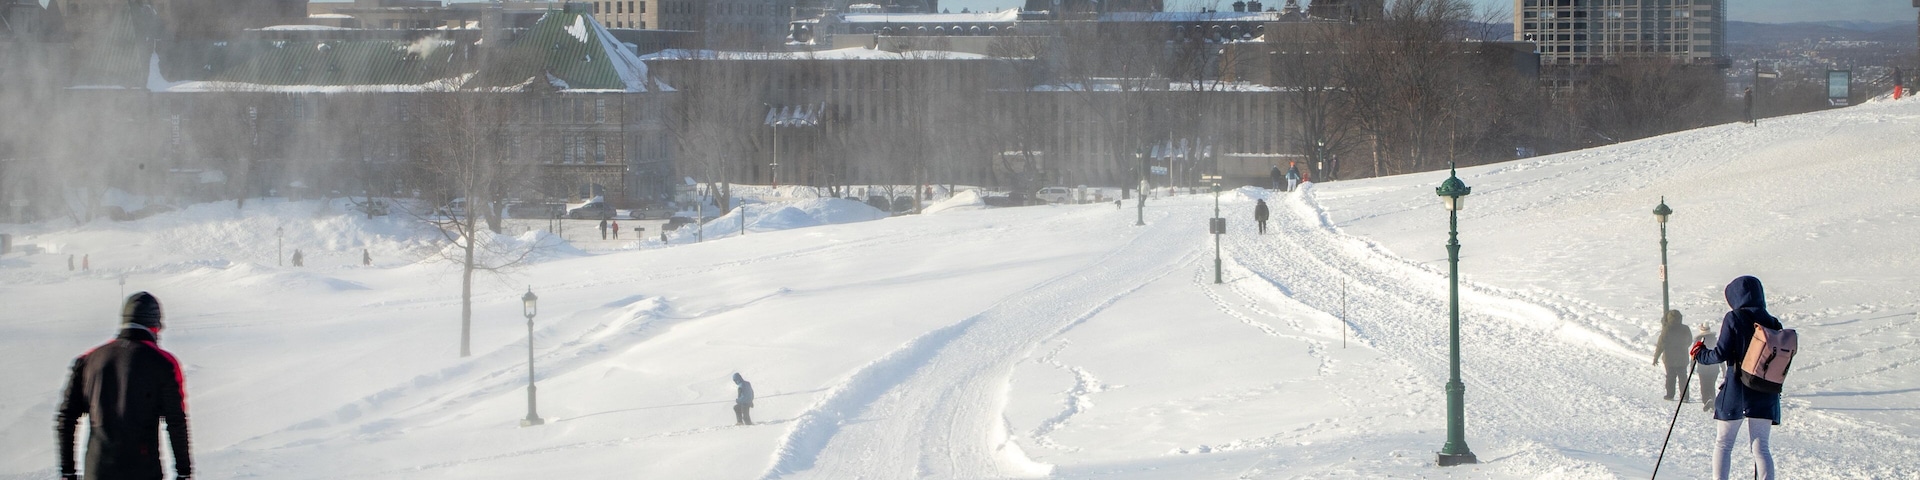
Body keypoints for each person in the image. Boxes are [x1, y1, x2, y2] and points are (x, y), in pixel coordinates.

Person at [57, 292, 193, 480]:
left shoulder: (88, 360)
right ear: (154, 326)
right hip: (143, 472)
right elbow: (176, 422)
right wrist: (184, 473)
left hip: (97, 471)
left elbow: (66, 419)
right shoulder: (164, 363)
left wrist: (68, 471)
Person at [1692, 276, 1783, 480]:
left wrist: (1700, 354)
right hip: (1766, 391)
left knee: (1723, 444)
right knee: (1761, 448)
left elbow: (1720, 354)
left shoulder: (1734, 318)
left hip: (1737, 390)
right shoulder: (1773, 322)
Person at [1650, 309, 1691, 401]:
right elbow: (1689, 341)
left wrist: (1656, 357)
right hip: (1682, 357)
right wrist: (1683, 347)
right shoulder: (1685, 328)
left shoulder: (1667, 329)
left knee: (1670, 377)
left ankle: (1670, 395)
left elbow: (1661, 345)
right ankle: (1685, 396)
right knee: (1683, 377)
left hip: (1669, 358)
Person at [1695, 322, 1721, 411]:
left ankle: (1706, 400)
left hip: (1702, 367)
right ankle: (1713, 401)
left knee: (1704, 385)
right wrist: (1723, 368)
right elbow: (1719, 354)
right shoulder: (1715, 340)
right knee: (1711, 385)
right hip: (1714, 367)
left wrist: (1692, 366)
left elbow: (1694, 354)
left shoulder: (1698, 341)